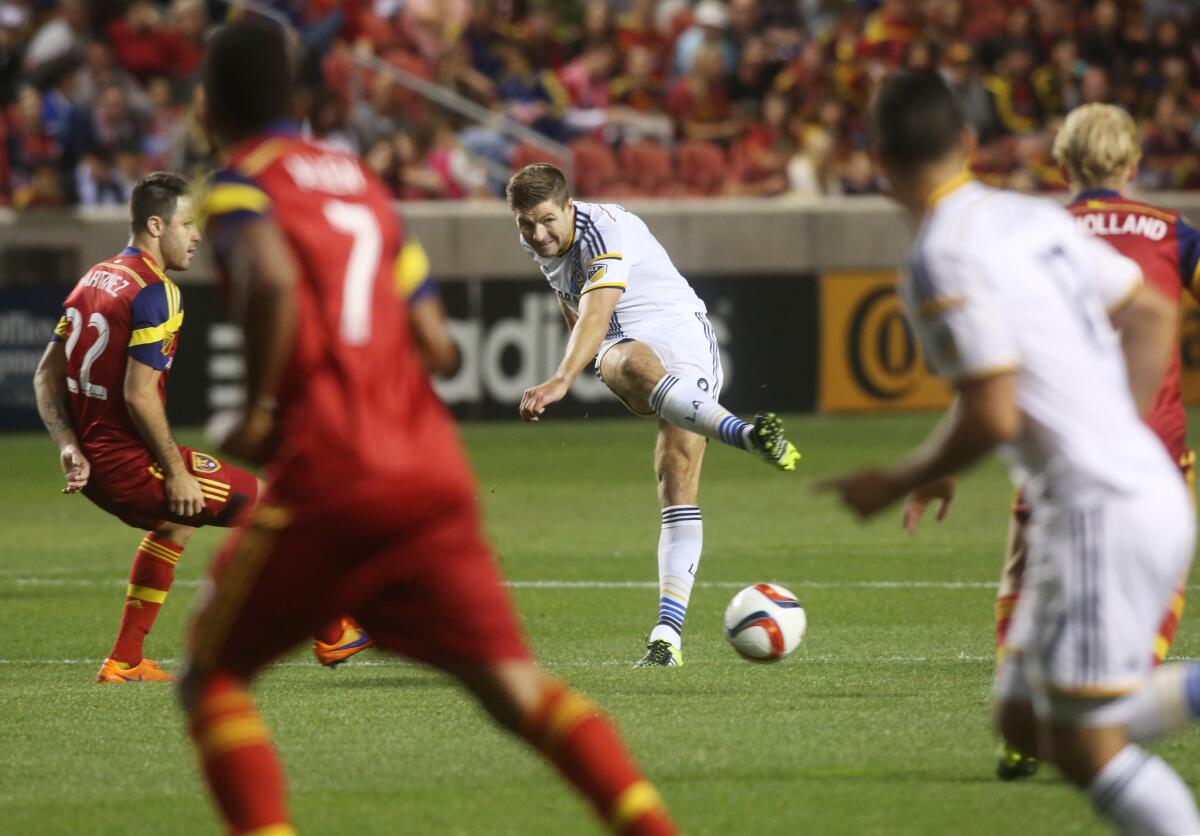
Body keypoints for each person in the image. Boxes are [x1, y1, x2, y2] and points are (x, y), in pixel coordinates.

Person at [179, 18, 676, 836]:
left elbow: (268, 280)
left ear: (211, 104)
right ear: (298, 96)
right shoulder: (358, 182)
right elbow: (440, 348)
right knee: (518, 692)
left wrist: (261, 405)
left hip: (333, 475)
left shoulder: (236, 184)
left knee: (210, 679)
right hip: (429, 474)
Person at [820, 70, 1200, 835]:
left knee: (1088, 747)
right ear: (966, 144)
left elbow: (993, 413)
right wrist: (1119, 436)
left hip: (1099, 508)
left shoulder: (938, 258)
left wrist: (898, 480)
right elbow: (1153, 314)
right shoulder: (1026, 218)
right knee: (1023, 722)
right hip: (1126, 492)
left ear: (877, 157)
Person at [961, 103, 1200, 781]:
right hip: (1153, 438)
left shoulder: (1037, 232)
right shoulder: (1172, 233)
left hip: (1060, 435)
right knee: (1161, 574)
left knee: (1023, 565)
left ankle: (1020, 729)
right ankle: (1127, 703)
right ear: (1132, 164)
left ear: (1061, 163)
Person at [506, 163, 800, 667]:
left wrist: (562, 378)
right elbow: (573, 302)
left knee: (675, 477)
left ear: (569, 206)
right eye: (526, 224)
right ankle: (746, 435)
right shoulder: (542, 241)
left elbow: (597, 312)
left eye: (547, 220)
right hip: (626, 346)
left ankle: (666, 639)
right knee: (628, 360)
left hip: (682, 333)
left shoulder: (604, 231)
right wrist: (586, 356)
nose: (538, 234)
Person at [32, 171, 261, 684]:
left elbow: (45, 372)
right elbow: (138, 395)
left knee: (176, 523)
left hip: (93, 464)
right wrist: (177, 471)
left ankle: (125, 660)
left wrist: (69, 445)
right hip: (130, 463)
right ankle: (333, 629)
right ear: (156, 226)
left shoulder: (95, 277)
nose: (197, 235)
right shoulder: (157, 292)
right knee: (274, 511)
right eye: (188, 224)